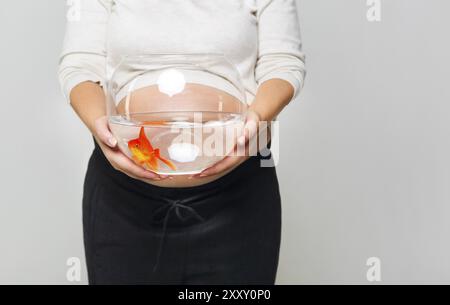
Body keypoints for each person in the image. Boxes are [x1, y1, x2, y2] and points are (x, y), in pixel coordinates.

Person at [58, 0, 306, 285]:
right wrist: (100, 125)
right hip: (123, 201)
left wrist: (257, 119)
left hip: (239, 194)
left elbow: (284, 63)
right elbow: (80, 65)